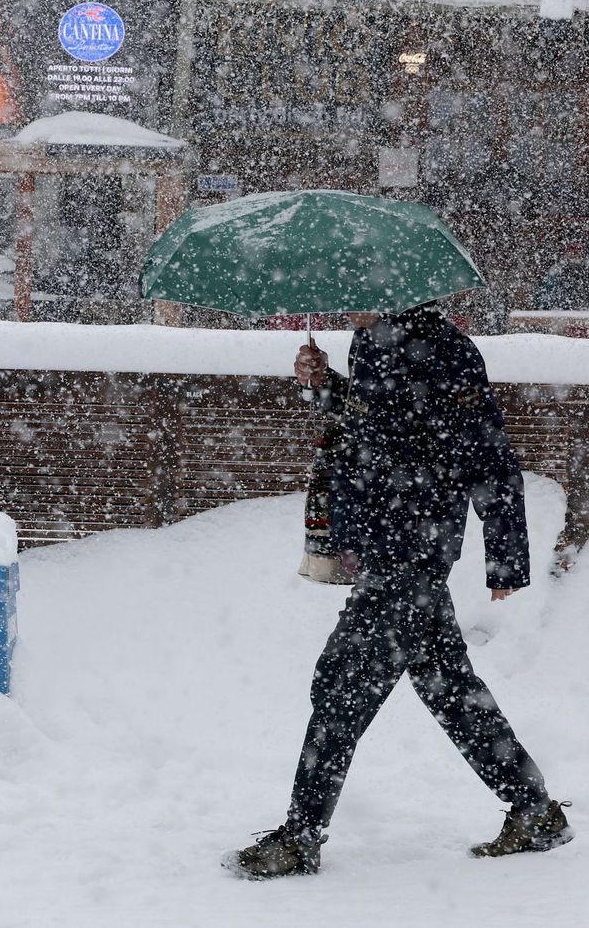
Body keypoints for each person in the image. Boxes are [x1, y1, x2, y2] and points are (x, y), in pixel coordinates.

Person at [226, 305, 572, 879]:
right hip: (383, 544)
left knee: (341, 686)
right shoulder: (367, 343)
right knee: (449, 689)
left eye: (357, 285)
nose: (345, 301)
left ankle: (301, 835)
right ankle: (535, 811)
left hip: (414, 549)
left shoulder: (449, 353)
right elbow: (373, 427)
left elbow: (489, 455)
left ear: (394, 290)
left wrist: (506, 560)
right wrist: (326, 385)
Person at [532, 239, 589, 312]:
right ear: (566, 251)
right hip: (560, 310)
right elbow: (543, 294)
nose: (575, 252)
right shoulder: (556, 270)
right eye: (572, 249)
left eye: (578, 249)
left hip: (583, 310)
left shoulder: (585, 269)